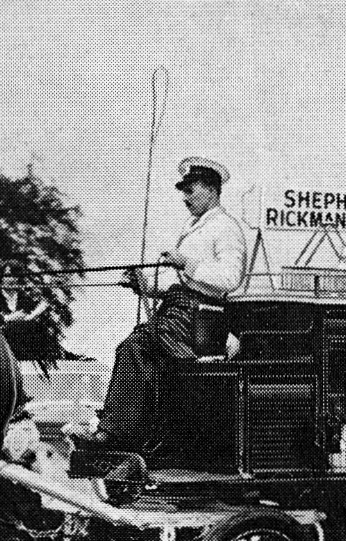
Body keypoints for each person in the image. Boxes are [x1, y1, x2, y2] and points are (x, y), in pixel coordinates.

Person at [76, 157, 247, 451]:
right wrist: (144, 284)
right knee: (136, 346)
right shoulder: (196, 226)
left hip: (199, 319)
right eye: (184, 191)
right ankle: (137, 433)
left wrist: (187, 262)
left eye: (190, 190)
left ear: (211, 189)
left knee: (135, 346)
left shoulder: (226, 227)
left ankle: (117, 433)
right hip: (179, 310)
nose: (185, 198)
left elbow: (231, 278)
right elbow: (179, 285)